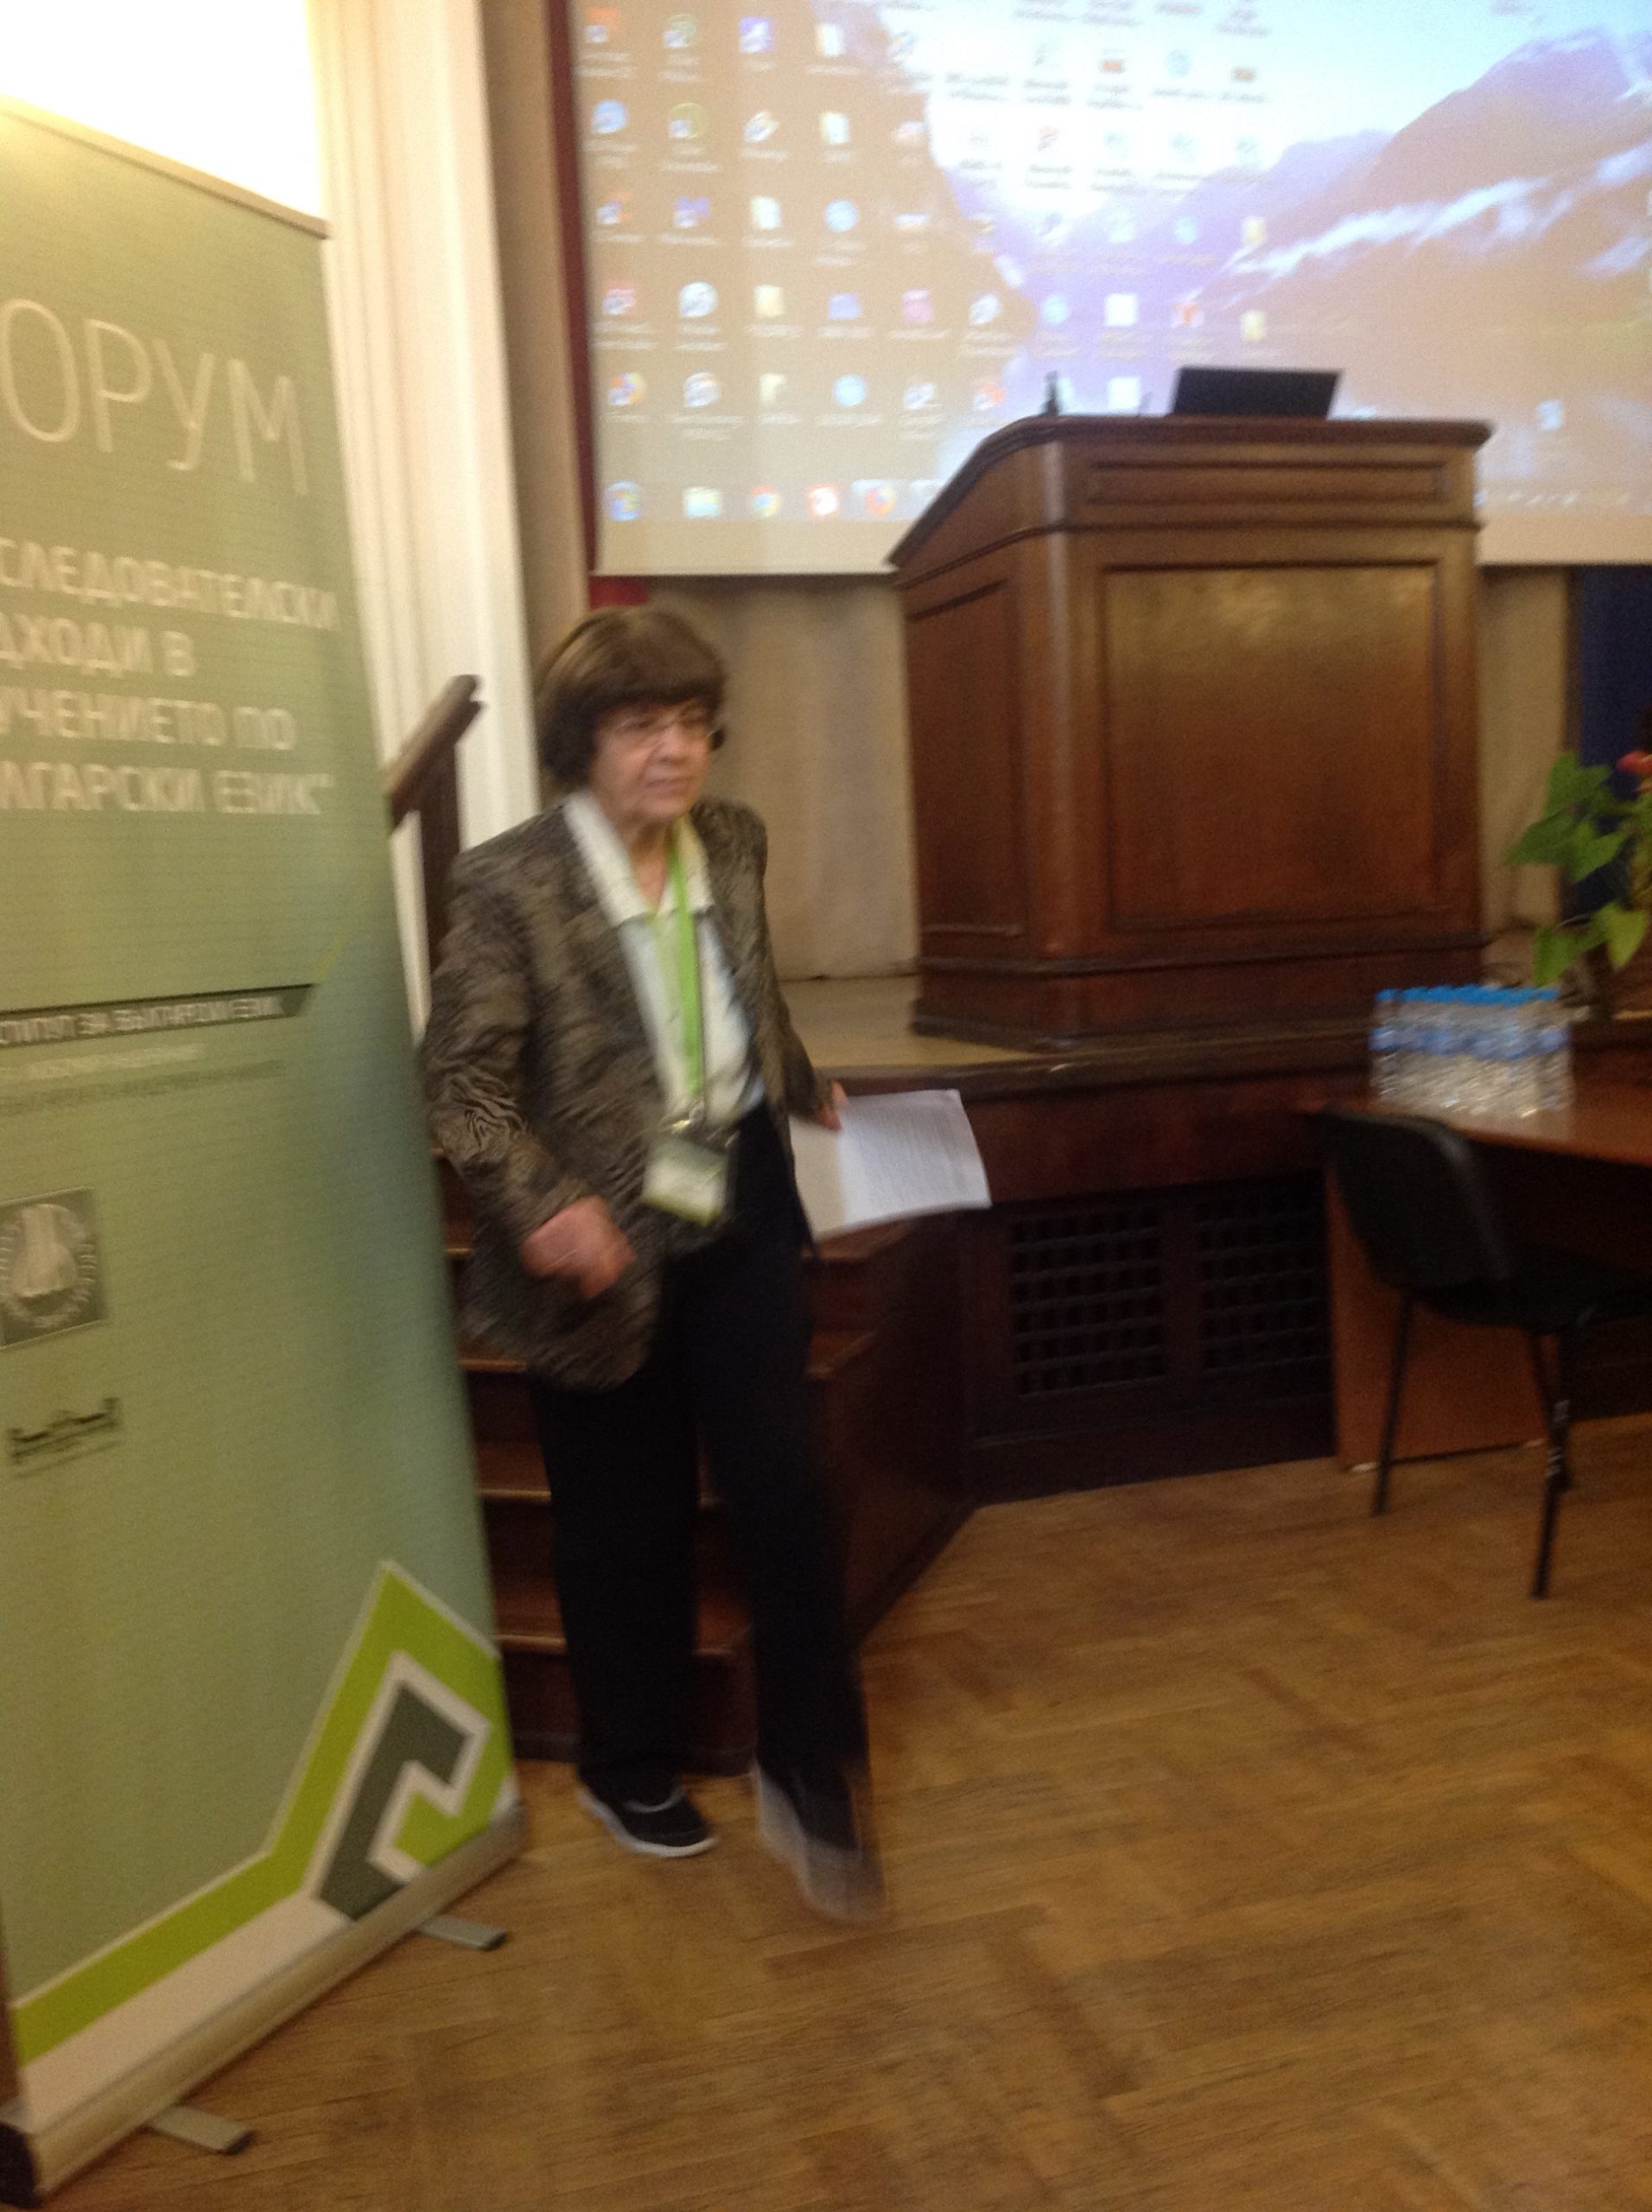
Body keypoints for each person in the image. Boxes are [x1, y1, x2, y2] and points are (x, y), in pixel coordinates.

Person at [423, 606, 879, 1919]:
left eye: (690, 723)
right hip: (595, 1245)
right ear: (582, 743)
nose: (674, 751)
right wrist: (542, 1206)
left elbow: (748, 990)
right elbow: (461, 1085)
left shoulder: (731, 839)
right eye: (640, 726)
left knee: (787, 1494)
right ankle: (628, 1769)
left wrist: (800, 1082)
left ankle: (808, 1771)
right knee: (623, 1521)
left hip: (737, 1200)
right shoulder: (510, 883)